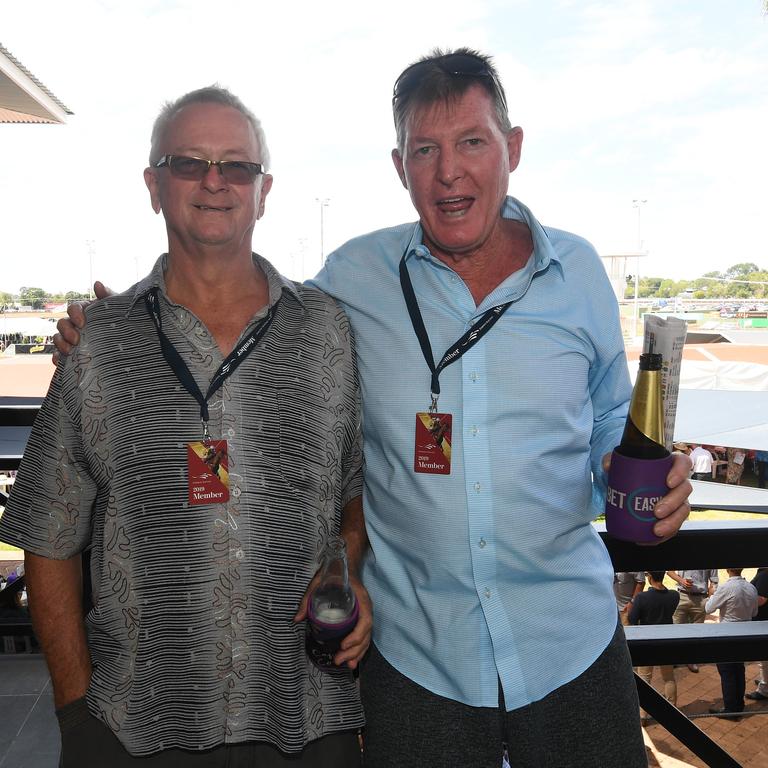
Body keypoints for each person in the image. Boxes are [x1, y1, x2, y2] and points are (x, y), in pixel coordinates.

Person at [54, 49, 693, 767]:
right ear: (400, 166)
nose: (449, 172)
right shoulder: (354, 278)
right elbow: (248, 316)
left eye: (472, 142)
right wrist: (125, 331)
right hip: (421, 659)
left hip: (569, 646)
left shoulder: (578, 272)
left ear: (512, 148)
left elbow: (612, 417)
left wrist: (645, 479)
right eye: (426, 150)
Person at [0, 87, 370, 767]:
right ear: (153, 185)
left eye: (236, 166)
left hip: (308, 718)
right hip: (137, 727)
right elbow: (47, 537)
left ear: (263, 191)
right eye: (188, 162)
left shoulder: (327, 332)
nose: (213, 181)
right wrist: (76, 712)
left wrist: (347, 564)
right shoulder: (100, 346)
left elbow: (353, 493)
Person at [705, 568, 758, 718]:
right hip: (745, 635)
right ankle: (738, 705)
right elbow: (754, 613)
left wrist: (712, 595)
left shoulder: (726, 587)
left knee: (727, 671)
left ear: (727, 570)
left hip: (727, 635)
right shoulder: (751, 587)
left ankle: (730, 709)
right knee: (739, 669)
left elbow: (708, 608)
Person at [628, 571, 680, 723]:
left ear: (650, 577)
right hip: (666, 641)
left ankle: (642, 716)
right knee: (669, 677)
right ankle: (672, 710)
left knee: (644, 679)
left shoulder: (642, 598)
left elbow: (632, 619)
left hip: (647, 641)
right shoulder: (674, 596)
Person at [666, 568, 718, 672]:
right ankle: (674, 658)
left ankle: (691, 659)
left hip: (700, 599)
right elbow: (669, 571)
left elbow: (714, 581)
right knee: (675, 630)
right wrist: (681, 580)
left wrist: (709, 597)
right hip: (682, 596)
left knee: (696, 633)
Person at [745, 566, 768, 702]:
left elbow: (762, 599)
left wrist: (744, 601)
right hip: (763, 621)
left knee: (764, 660)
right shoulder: (763, 572)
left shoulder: (765, 574)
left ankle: (764, 689)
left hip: (763, 622)